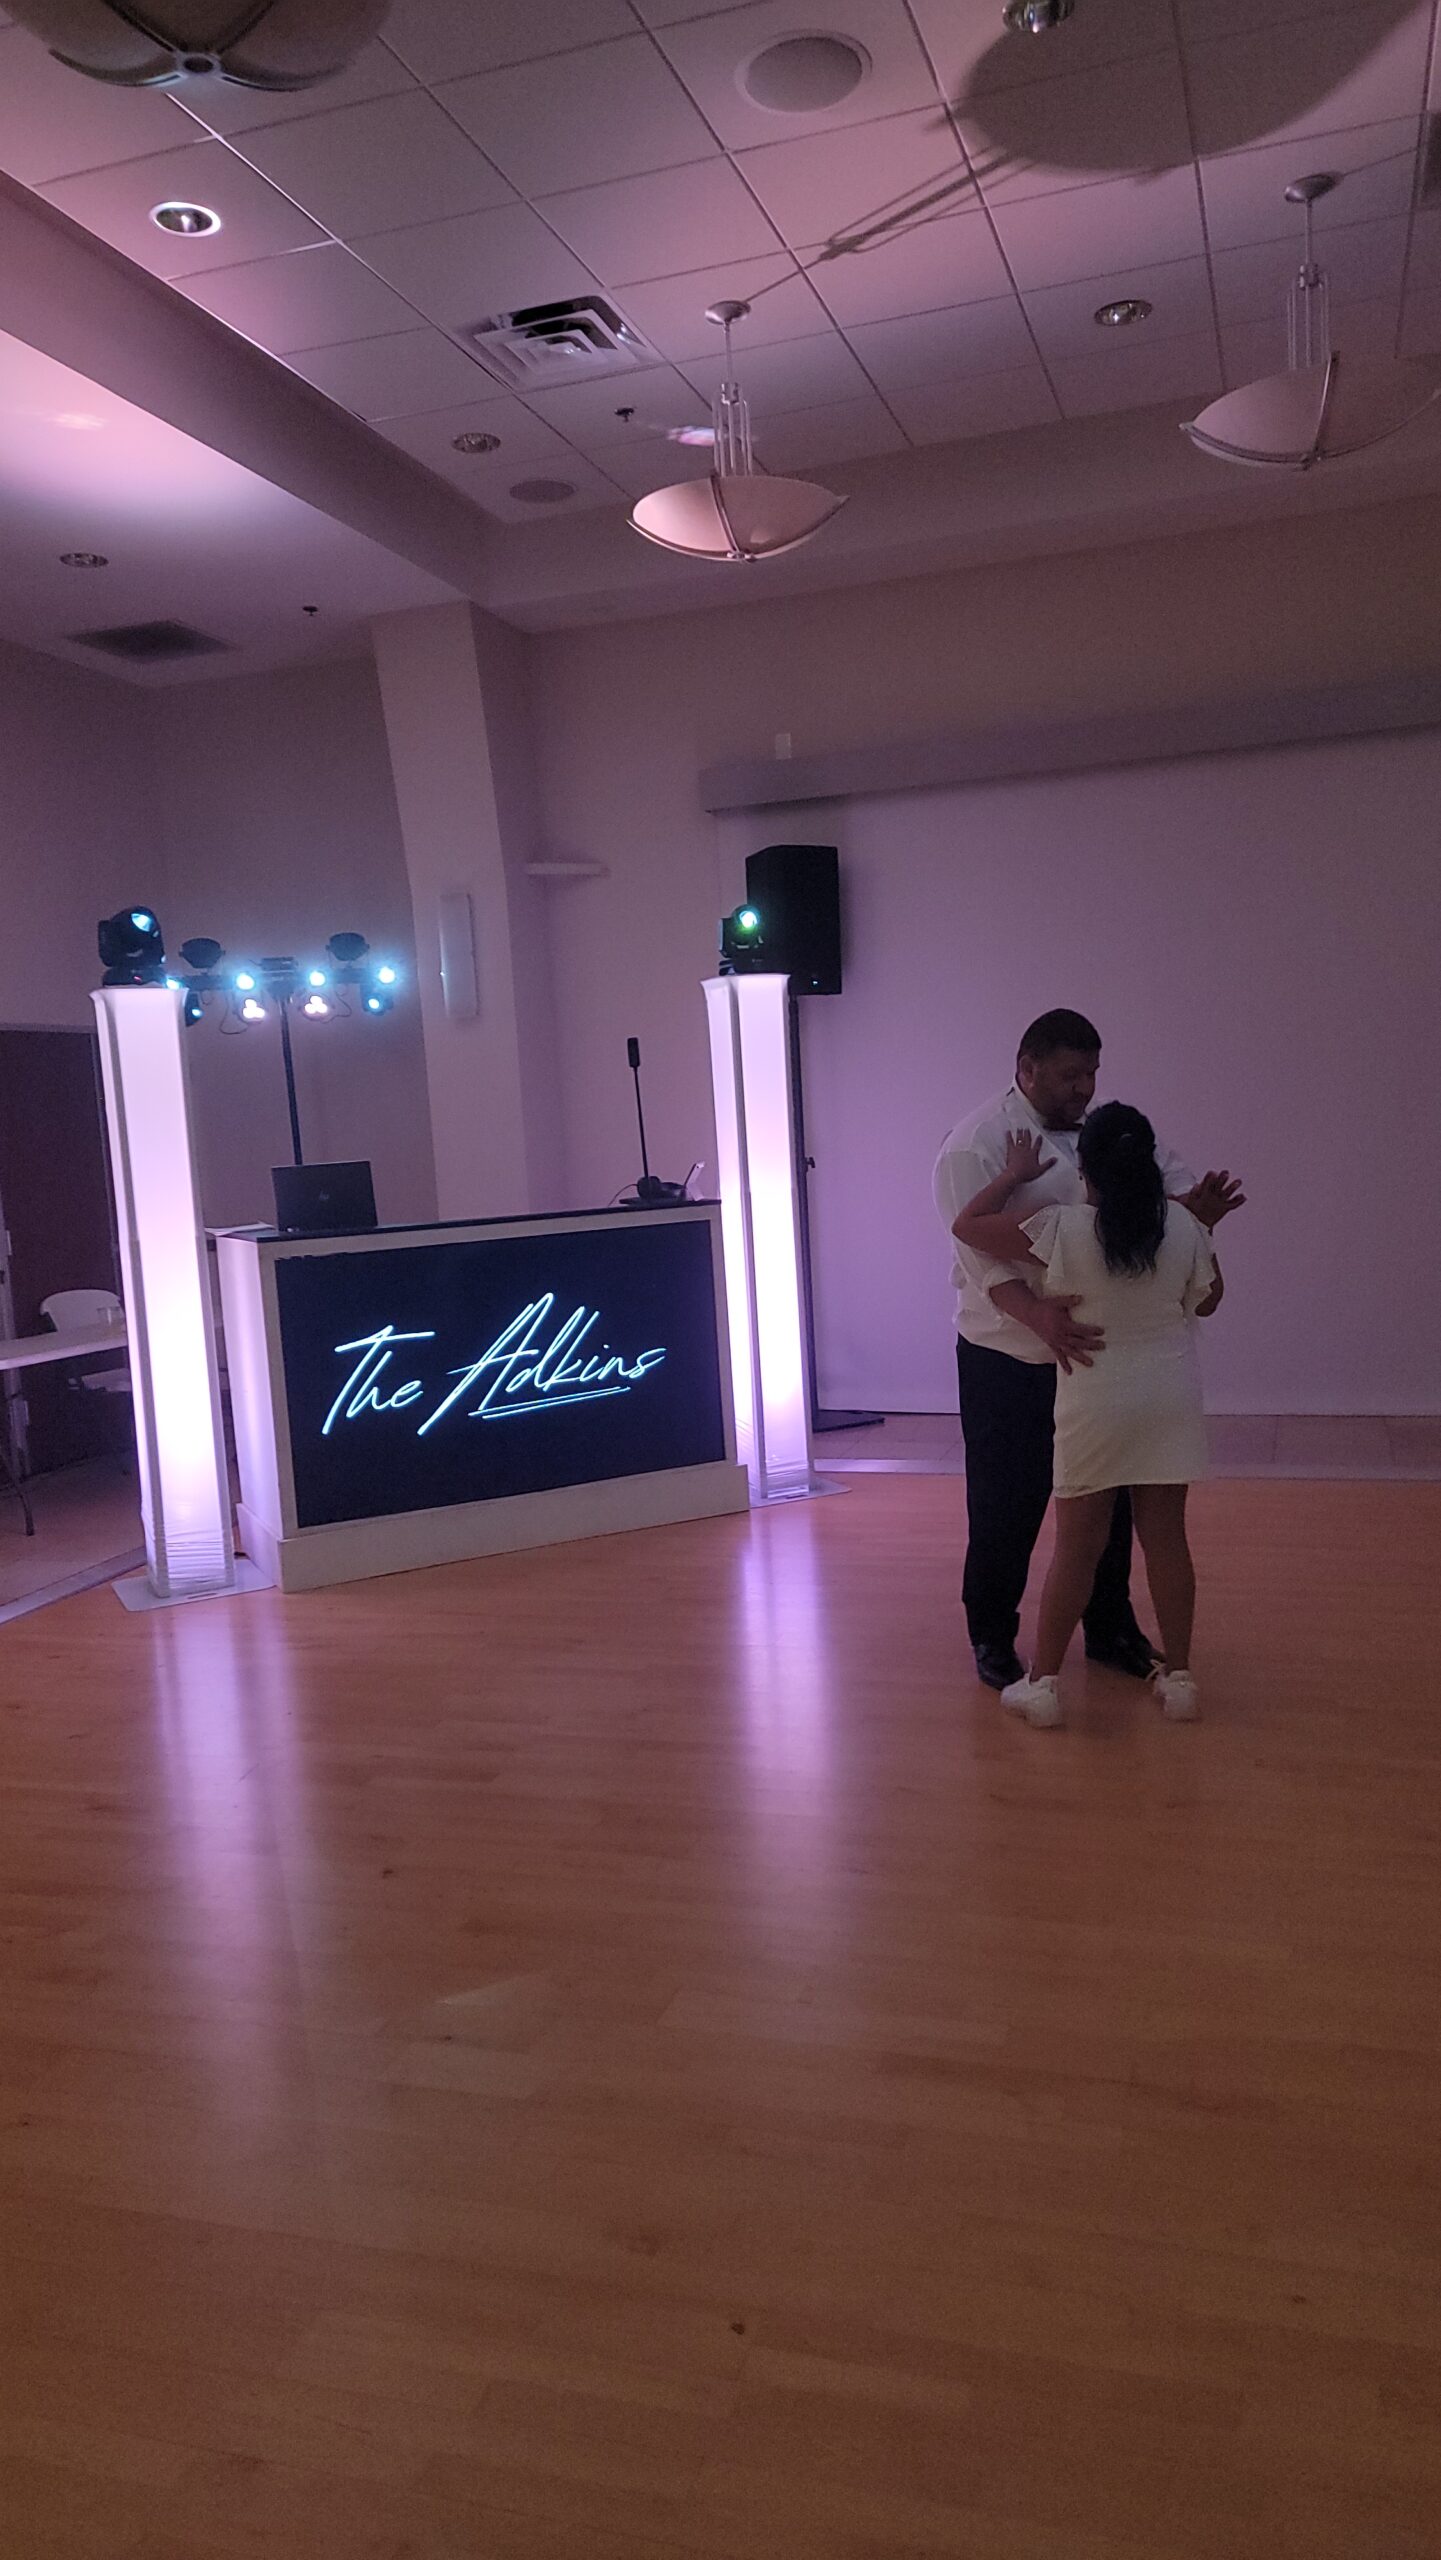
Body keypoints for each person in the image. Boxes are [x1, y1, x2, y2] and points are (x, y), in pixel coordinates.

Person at [932, 1010, 1242, 1694]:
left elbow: (1161, 1207)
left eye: (1092, 1073)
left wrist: (1193, 1212)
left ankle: (1109, 1629)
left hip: (1099, 1361)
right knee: (1006, 1503)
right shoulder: (974, 1143)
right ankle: (992, 1635)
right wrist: (1037, 1315)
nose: (1084, 1087)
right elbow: (975, 1252)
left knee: (1110, 1511)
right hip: (1009, 1355)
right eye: (1071, 1075)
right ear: (1027, 1068)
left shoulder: (1111, 1133)